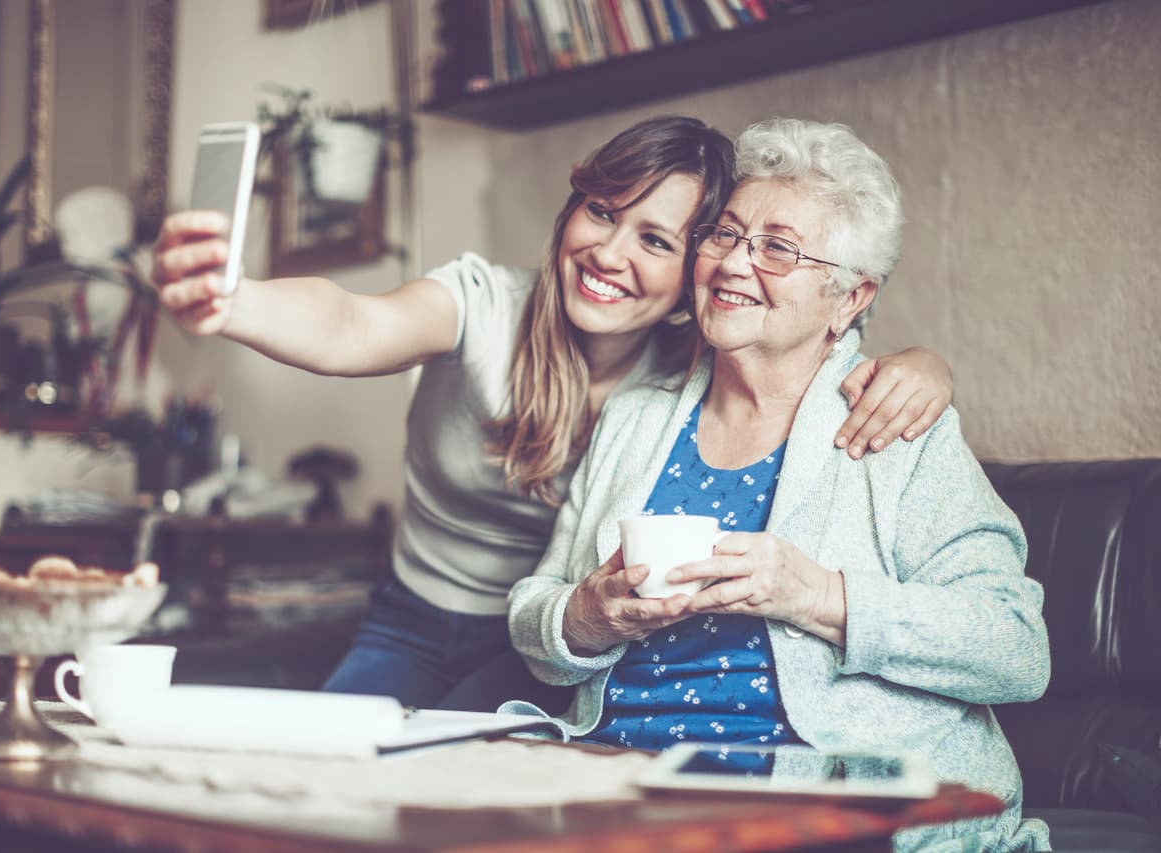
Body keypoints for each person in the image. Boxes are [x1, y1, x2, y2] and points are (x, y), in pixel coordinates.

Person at [152, 116, 954, 712]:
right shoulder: (485, 307)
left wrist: (928, 367)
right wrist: (234, 300)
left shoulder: (694, 366)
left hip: (542, 642)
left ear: (692, 273)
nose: (610, 255)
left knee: (440, 795)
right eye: (602, 213)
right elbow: (352, 323)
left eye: (656, 240)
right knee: (321, 782)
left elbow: (819, 327)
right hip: (413, 615)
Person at [505, 118, 1050, 852]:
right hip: (621, 787)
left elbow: (1017, 649)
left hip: (820, 804)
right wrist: (588, 617)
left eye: (778, 249)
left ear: (848, 298)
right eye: (725, 234)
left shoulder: (894, 426)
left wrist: (819, 595)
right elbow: (534, 617)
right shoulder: (636, 421)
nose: (734, 263)